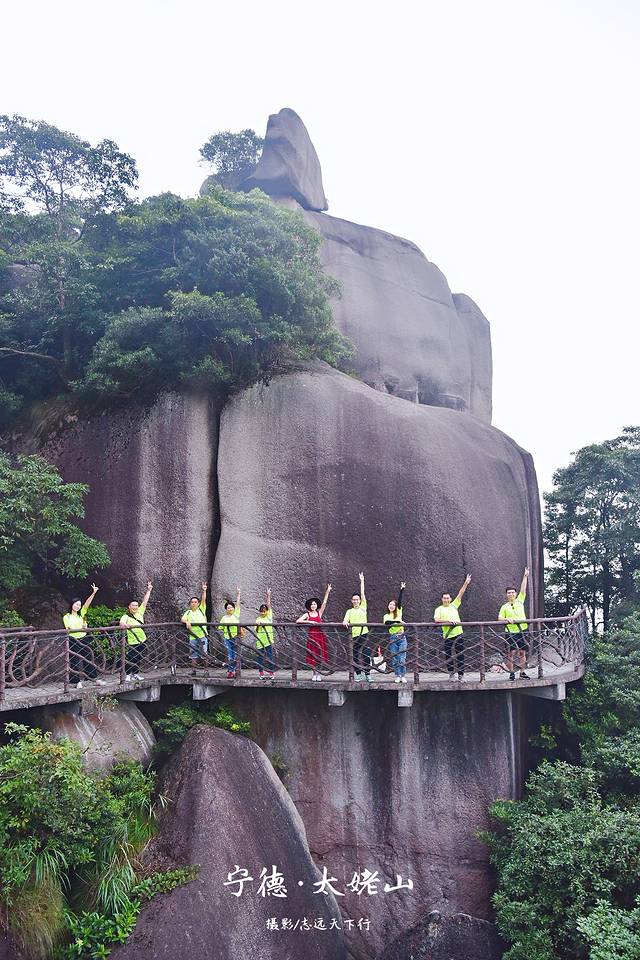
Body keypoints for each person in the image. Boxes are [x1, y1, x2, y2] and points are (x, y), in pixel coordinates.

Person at [63, 583, 105, 688]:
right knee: (75, 660)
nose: (78, 606)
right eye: (76, 604)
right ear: (72, 605)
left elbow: (87, 603)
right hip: (73, 639)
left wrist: (93, 593)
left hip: (84, 638)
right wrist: (80, 628)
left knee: (89, 658)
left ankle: (93, 678)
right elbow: (68, 629)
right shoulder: (66, 616)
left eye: (79, 605)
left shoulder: (81, 614)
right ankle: (76, 681)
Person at [434, 574, 472, 682]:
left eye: (448, 598)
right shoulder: (439, 609)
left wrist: (466, 582)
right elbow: (436, 620)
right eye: (444, 598)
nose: (446, 599)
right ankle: (451, 674)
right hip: (447, 636)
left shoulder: (454, 605)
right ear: (442, 599)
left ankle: (461, 675)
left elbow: (461, 593)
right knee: (449, 655)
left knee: (460, 655)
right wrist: (448, 622)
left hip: (458, 634)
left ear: (450, 599)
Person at [499, 567, 530, 681]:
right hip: (510, 631)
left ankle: (522, 672)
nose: (511, 594)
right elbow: (499, 618)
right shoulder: (504, 607)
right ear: (506, 594)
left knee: (522, 652)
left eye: (512, 592)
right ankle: (511, 673)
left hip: (522, 630)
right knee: (511, 653)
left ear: (515, 594)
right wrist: (507, 619)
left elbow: (523, 589)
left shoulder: (520, 600)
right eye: (509, 593)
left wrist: (525, 576)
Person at [297, 584, 331, 681]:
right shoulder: (307, 614)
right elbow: (298, 621)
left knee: (320, 654)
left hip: (320, 636)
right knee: (313, 655)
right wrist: (309, 621)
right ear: (310, 606)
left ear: (317, 606)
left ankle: (319, 674)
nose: (313, 606)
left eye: (315, 604)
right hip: (312, 636)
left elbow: (324, 603)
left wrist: (327, 591)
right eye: (312, 604)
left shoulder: (319, 613)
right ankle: (314, 674)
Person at [119, 581, 153, 681]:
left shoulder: (139, 613)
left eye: (136, 605)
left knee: (139, 657)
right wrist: (126, 625)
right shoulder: (126, 616)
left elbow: (145, 601)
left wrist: (149, 590)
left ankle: (136, 673)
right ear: (129, 607)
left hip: (142, 639)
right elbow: (121, 623)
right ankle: (129, 675)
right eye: (133, 605)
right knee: (132, 658)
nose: (135, 607)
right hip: (132, 640)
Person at [343, 572, 372, 682]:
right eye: (354, 599)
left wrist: (362, 581)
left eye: (357, 599)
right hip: (354, 635)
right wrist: (345, 622)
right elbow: (345, 620)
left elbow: (362, 593)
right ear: (352, 601)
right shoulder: (349, 611)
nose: (355, 601)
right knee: (354, 655)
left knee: (366, 654)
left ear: (360, 601)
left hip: (363, 633)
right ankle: (358, 674)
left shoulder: (363, 607)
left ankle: (367, 674)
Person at [384, 582, 407, 683]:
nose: (392, 606)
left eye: (393, 604)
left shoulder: (399, 612)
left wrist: (402, 590)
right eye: (390, 604)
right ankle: (397, 675)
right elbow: (387, 623)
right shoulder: (386, 615)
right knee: (394, 658)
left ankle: (402, 675)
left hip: (402, 637)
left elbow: (400, 601)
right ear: (388, 606)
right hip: (393, 637)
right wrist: (398, 621)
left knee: (402, 658)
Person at [181, 582, 208, 667]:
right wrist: (187, 622)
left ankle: (206, 671)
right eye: (192, 602)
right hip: (192, 636)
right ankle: (194, 670)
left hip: (202, 635)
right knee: (193, 654)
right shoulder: (188, 612)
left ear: (198, 604)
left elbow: (203, 600)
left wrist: (204, 591)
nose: (194, 603)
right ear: (190, 604)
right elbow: (182, 619)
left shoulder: (201, 609)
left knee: (204, 653)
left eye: (195, 602)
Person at [218, 588, 241, 679]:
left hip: (236, 637)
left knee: (236, 655)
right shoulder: (224, 618)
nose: (230, 609)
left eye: (231, 607)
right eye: (228, 607)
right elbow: (221, 627)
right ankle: (231, 671)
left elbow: (238, 605)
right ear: (226, 609)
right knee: (230, 655)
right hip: (227, 638)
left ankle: (234, 670)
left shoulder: (236, 615)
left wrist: (238, 594)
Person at [255, 588, 275, 681]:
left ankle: (271, 672)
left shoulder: (269, 616)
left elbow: (269, 605)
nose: (263, 612)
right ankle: (261, 673)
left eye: (265, 611)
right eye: (261, 611)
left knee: (270, 657)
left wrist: (268, 595)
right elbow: (256, 630)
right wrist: (258, 624)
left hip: (269, 640)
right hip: (260, 641)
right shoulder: (258, 619)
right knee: (260, 657)